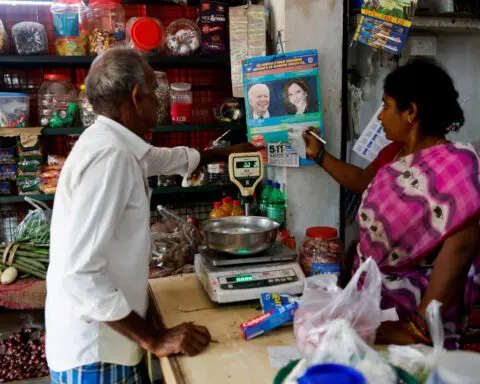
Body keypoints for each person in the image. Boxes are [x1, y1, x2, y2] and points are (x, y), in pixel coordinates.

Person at [45, 47, 259, 383]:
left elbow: (161, 158)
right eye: (153, 92)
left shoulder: (114, 142)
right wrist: (154, 339)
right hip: (97, 353)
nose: (158, 100)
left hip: (111, 340)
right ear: (134, 97)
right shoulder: (109, 156)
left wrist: (226, 152)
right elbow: (79, 274)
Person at [303, 58, 480, 349]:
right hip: (378, 304)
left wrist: (418, 327)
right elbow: (362, 182)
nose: (380, 116)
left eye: (386, 105)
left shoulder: (455, 167)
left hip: (420, 315)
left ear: (411, 112)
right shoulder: (395, 153)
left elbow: (464, 241)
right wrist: (320, 155)